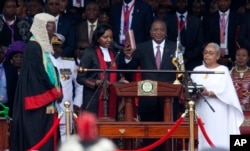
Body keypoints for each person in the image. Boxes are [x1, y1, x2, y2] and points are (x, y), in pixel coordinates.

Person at [122, 19, 179, 151]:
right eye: (155, 29)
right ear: (150, 32)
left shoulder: (175, 47)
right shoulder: (141, 47)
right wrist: (128, 58)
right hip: (148, 97)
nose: (158, 32)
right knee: (148, 134)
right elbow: (129, 71)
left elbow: (181, 70)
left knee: (168, 134)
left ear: (166, 32)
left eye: (162, 30)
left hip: (169, 99)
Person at [10, 13, 62, 151]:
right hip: (38, 108)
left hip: (47, 104)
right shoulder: (33, 48)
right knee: (39, 140)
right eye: (51, 30)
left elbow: (51, 72)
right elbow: (37, 76)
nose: (53, 34)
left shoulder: (43, 49)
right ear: (42, 29)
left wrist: (58, 88)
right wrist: (54, 92)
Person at [191, 42, 244, 150]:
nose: (207, 55)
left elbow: (227, 91)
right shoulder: (196, 70)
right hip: (201, 107)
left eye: (211, 53)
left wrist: (208, 92)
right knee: (202, 135)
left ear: (218, 56)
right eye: (205, 52)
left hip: (218, 109)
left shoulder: (223, 70)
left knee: (217, 134)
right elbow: (191, 89)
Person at [76, 24, 121, 119]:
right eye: (105, 37)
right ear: (97, 38)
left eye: (111, 37)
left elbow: (117, 75)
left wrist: (121, 80)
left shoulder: (114, 53)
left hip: (112, 97)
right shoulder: (89, 52)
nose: (109, 40)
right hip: (93, 98)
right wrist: (97, 82)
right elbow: (80, 78)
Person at [51, 33, 83, 143]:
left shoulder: (69, 63)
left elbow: (79, 84)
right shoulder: (44, 62)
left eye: (58, 46)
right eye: (53, 45)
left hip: (66, 108)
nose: (55, 48)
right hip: (49, 109)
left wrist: (77, 103)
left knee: (66, 138)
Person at [166, 0, 204, 70]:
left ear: (187, 4)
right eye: (178, 2)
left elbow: (200, 43)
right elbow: (166, 41)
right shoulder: (167, 21)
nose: (181, 4)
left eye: (183, 2)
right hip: (172, 59)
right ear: (175, 4)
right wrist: (175, 56)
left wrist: (188, 57)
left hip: (192, 59)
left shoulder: (196, 21)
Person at [1, 40, 26, 118]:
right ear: (11, 58)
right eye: (16, 57)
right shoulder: (9, 70)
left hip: (17, 107)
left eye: (21, 57)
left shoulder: (27, 72)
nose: (19, 59)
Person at [230, 47, 250, 133]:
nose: (240, 58)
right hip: (234, 110)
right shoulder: (229, 73)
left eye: (244, 55)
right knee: (235, 133)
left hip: (249, 110)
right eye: (238, 55)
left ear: (248, 58)